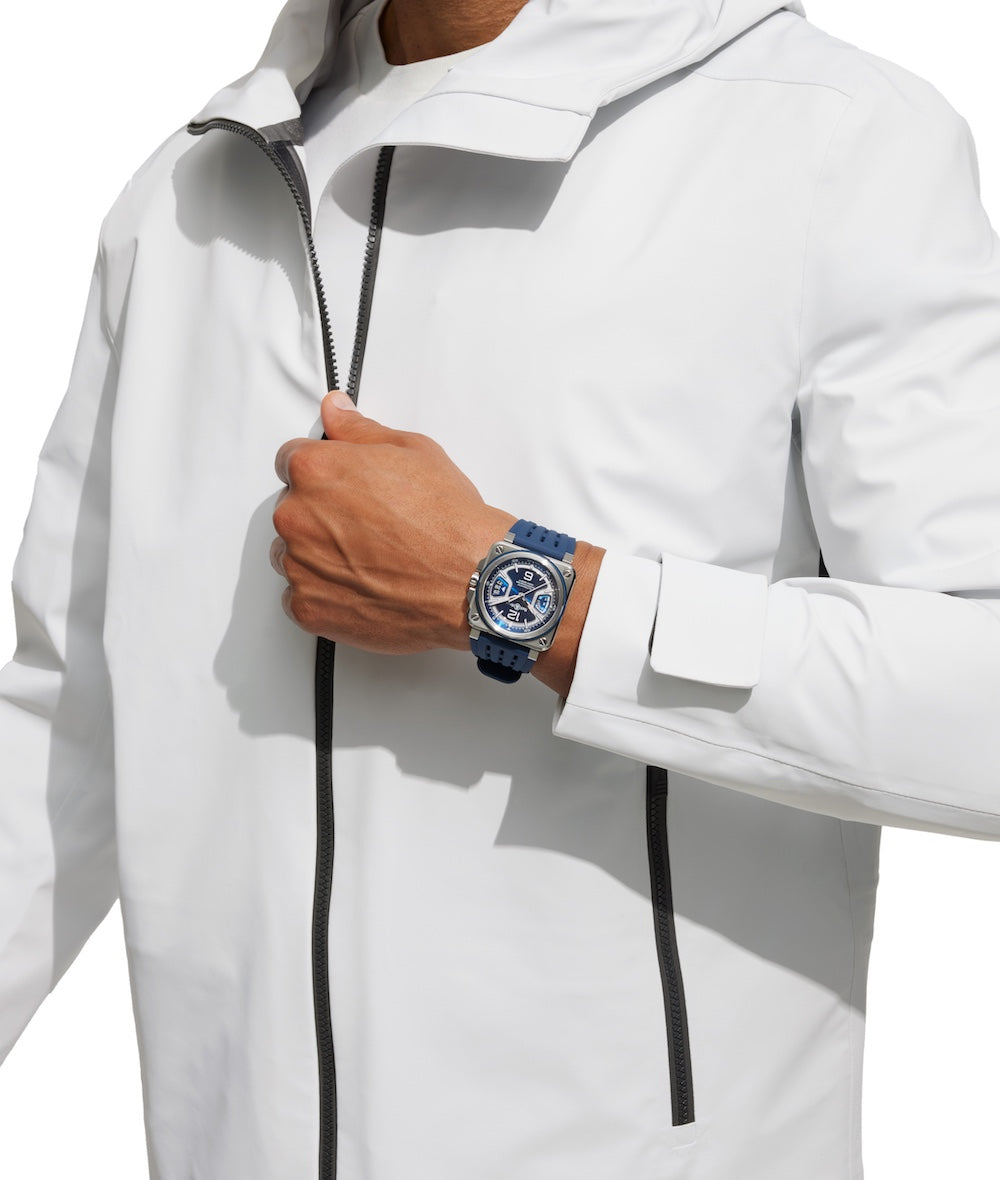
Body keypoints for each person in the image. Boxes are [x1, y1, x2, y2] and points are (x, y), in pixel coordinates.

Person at [2, 0, 999, 1177]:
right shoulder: (183, 200)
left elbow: (976, 703)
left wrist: (513, 588)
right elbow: (63, 720)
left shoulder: (833, 138)